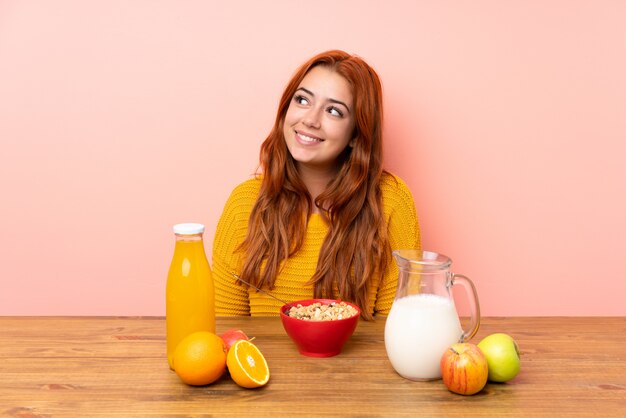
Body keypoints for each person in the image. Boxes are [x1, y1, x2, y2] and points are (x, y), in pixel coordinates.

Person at [212, 50, 420, 320]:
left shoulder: (390, 200)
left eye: (333, 111)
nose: (310, 119)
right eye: (302, 100)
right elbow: (227, 330)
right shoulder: (245, 203)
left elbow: (403, 327)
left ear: (357, 135)